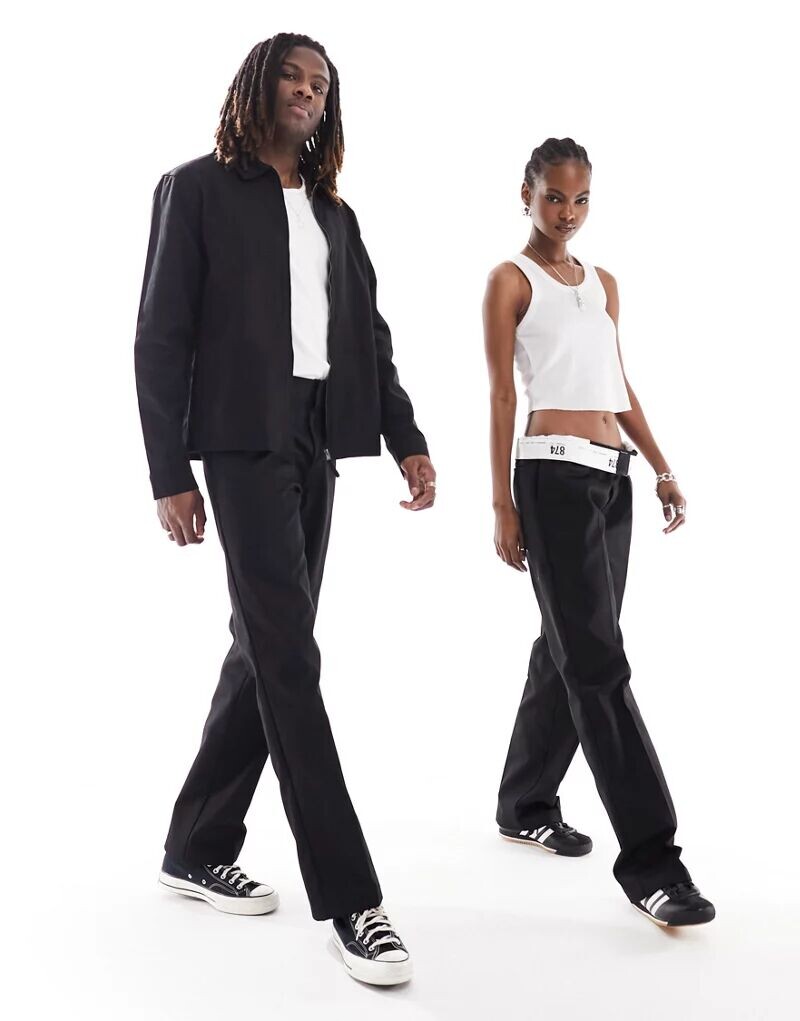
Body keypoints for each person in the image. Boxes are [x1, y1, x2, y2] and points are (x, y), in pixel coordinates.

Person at [133, 33, 436, 985]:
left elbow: (368, 333)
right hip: (240, 443)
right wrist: (169, 471)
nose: (307, 92)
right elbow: (160, 335)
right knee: (291, 656)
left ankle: (196, 844)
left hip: (318, 439)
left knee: (266, 643)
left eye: (321, 84)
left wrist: (405, 434)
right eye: (294, 77)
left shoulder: (334, 212)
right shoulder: (195, 189)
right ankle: (352, 899)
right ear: (258, 85)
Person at [482, 137, 714, 928]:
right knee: (598, 661)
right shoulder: (511, 280)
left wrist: (661, 466)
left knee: (572, 643)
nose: (567, 213)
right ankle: (654, 862)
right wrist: (502, 503)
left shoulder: (603, 283)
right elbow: (502, 396)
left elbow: (618, 384)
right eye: (553, 197)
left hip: (612, 479)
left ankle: (524, 800)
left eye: (580, 200)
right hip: (549, 479)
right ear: (526, 193)